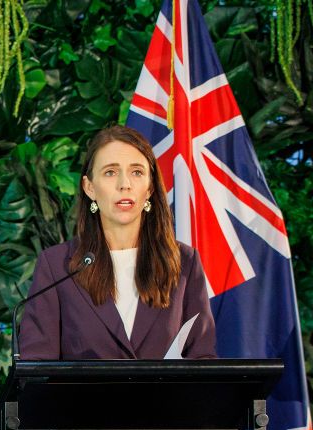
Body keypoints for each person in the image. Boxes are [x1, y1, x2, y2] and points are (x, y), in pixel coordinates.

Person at [18, 125, 216, 360]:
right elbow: (36, 370)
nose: (125, 184)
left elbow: (203, 362)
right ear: (89, 188)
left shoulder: (185, 263)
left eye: (137, 172)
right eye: (110, 172)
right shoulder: (56, 267)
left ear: (150, 188)